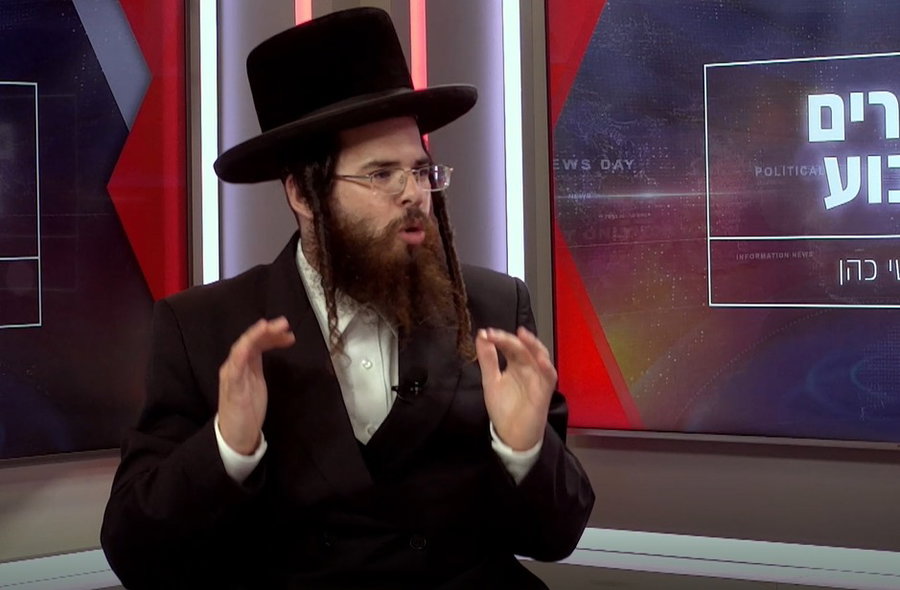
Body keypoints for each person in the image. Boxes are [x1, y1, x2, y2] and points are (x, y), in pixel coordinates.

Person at [100, 7, 594, 589]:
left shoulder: (492, 308)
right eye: (381, 174)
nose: (414, 195)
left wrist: (524, 449)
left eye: (421, 171)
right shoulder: (204, 328)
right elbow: (135, 554)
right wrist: (227, 447)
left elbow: (556, 537)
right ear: (302, 194)